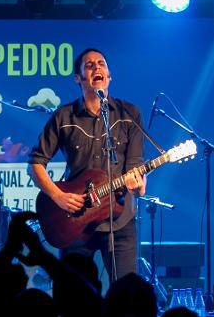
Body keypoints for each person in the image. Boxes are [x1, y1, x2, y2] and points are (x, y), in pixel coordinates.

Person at [27, 48, 146, 283]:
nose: (96, 67)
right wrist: (58, 196)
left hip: (119, 222)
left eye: (101, 63)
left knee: (127, 295)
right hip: (74, 222)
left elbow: (136, 165)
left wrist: (138, 183)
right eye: (89, 65)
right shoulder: (64, 116)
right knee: (74, 298)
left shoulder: (129, 113)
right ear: (78, 78)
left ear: (109, 75)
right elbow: (35, 163)